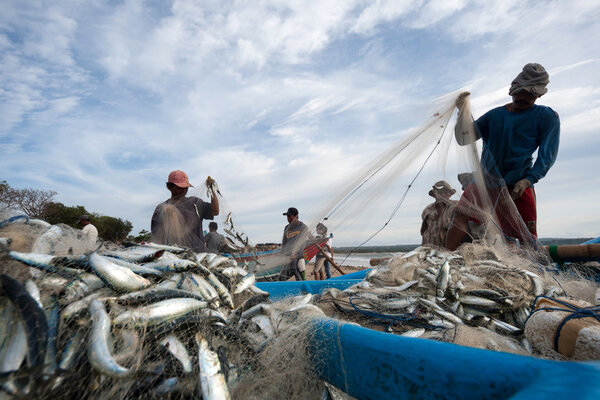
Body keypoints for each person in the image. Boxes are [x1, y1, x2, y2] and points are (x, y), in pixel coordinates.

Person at [446, 63, 560, 251]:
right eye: (518, 95)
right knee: (460, 214)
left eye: (528, 97)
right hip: (485, 181)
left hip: (518, 184)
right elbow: (463, 138)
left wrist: (528, 180)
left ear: (538, 95)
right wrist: (462, 113)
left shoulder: (546, 117)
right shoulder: (495, 116)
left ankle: (529, 269)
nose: (522, 99)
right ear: (512, 92)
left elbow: (547, 155)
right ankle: (445, 258)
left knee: (526, 234)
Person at [151, 170, 219, 252]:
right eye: (180, 187)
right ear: (169, 187)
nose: (184, 190)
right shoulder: (161, 209)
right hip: (174, 256)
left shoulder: (195, 203)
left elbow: (215, 211)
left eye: (186, 187)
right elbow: (157, 236)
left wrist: (211, 189)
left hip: (198, 254)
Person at [420, 181, 457, 248]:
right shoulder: (427, 210)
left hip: (450, 249)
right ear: (434, 195)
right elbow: (423, 229)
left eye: (446, 192)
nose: (443, 195)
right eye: (439, 193)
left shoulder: (457, 206)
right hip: (429, 248)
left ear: (450, 195)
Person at [278, 207, 308, 281]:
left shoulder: (303, 227)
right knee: (282, 277)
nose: (288, 219)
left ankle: (304, 291)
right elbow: (284, 243)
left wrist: (296, 254)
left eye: (289, 216)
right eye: (287, 216)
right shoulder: (287, 228)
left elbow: (303, 243)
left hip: (298, 257)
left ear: (295, 216)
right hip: (288, 257)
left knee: (300, 277)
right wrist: (282, 253)